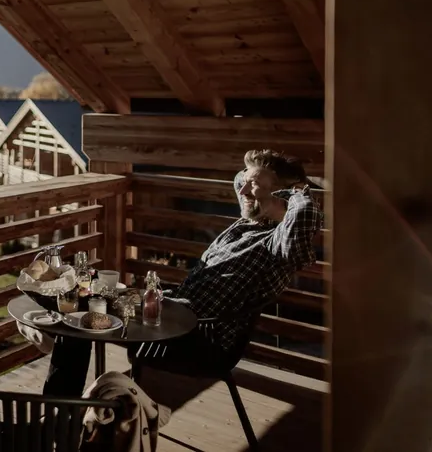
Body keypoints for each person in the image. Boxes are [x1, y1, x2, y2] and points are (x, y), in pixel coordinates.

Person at [43, 149, 324, 397]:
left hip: (197, 337)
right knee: (86, 301)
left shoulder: (279, 243)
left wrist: (297, 190)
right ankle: (55, 325)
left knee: (79, 317)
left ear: (283, 195)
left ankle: (60, 409)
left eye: (254, 186)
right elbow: (239, 180)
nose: (242, 191)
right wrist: (255, 179)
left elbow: (306, 214)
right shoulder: (247, 224)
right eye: (246, 183)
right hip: (170, 312)